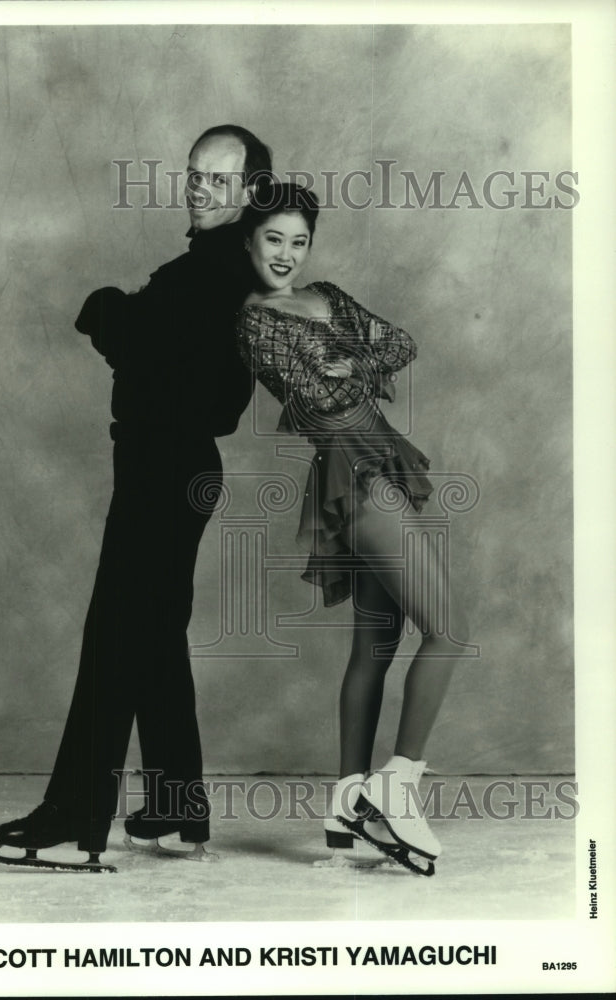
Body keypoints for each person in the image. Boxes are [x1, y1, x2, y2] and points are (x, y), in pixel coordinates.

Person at [0, 125, 273, 872]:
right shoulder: (211, 268)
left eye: (219, 180)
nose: (200, 188)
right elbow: (151, 349)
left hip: (164, 470)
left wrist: (110, 306)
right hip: (171, 468)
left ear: (250, 192)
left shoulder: (210, 274)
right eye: (194, 175)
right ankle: (178, 811)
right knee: (150, 637)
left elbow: (144, 348)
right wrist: (125, 320)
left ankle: (74, 815)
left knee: (116, 635)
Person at [236, 182, 469, 876]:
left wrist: (355, 363)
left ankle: (344, 804)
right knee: (449, 629)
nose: (285, 254)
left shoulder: (329, 294)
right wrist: (356, 365)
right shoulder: (253, 320)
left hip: (385, 457)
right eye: (272, 239)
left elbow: (403, 342)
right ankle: (397, 788)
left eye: (298, 240)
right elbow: (323, 394)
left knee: (378, 640)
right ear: (249, 241)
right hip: (350, 473)